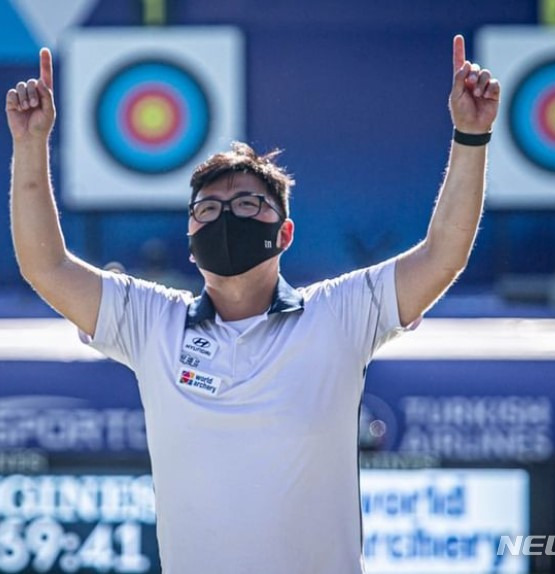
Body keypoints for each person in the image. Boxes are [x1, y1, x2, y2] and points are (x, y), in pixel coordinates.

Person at [7, 35, 499, 573]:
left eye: (246, 204)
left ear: (284, 232)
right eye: (208, 208)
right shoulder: (150, 321)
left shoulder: (338, 314)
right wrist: (30, 144)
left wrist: (470, 137)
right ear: (189, 234)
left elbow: (442, 256)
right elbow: (45, 266)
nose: (225, 218)